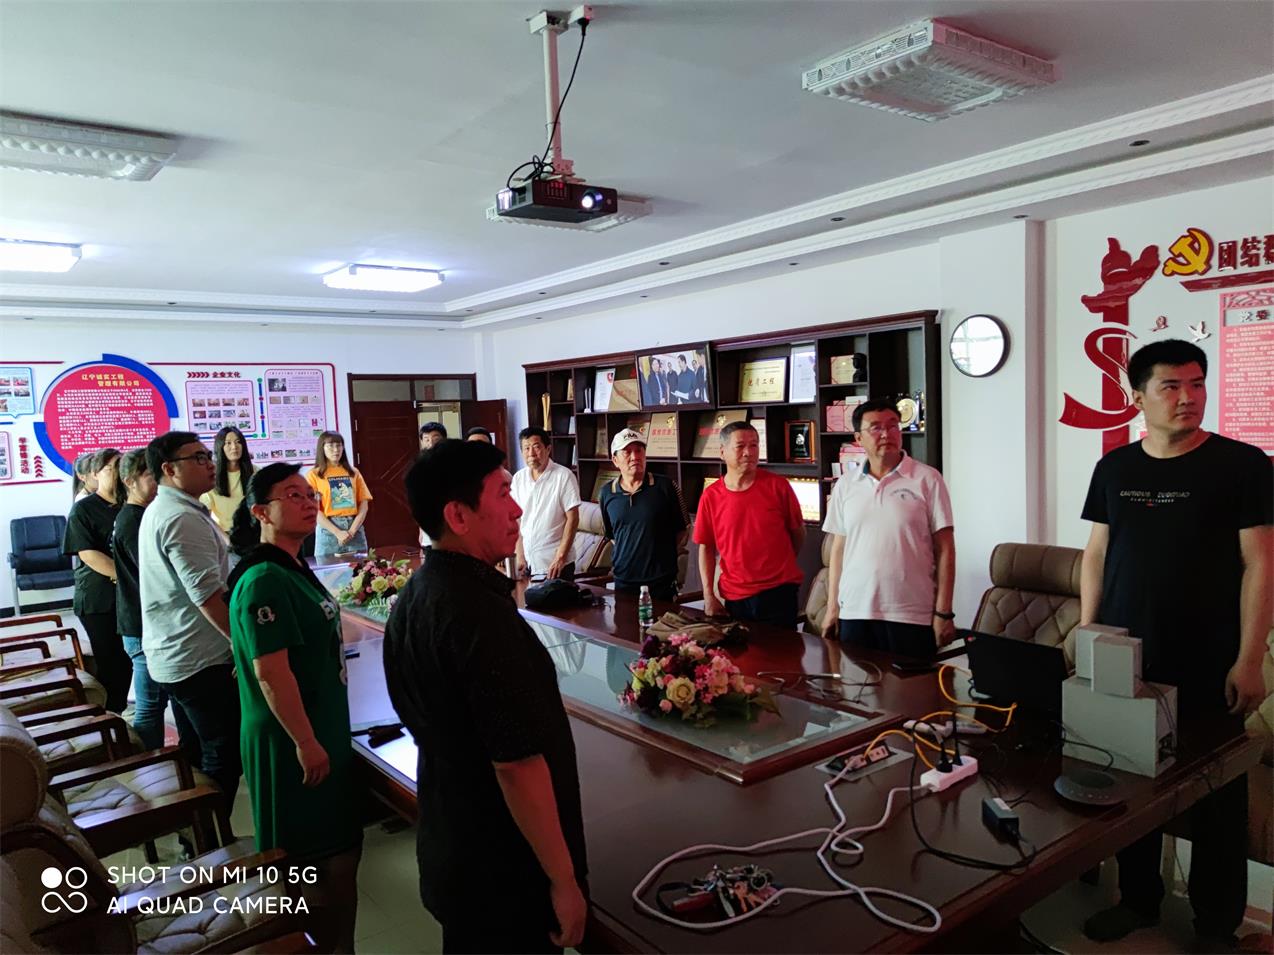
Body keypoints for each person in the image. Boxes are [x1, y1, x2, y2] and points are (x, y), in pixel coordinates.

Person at [1078, 339, 1271, 948]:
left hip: (1209, 659)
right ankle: (1138, 900)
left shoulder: (1243, 465)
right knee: (1130, 786)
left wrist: (1249, 657)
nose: (1187, 397)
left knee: (1217, 797)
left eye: (1196, 384)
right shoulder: (1115, 468)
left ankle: (1217, 926)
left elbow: (1261, 564)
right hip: (1125, 656)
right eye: (1170, 386)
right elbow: (1097, 553)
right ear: (1137, 397)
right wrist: (1086, 627)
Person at [384, 439, 588, 954]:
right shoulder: (477, 615)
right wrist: (563, 879)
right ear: (458, 515)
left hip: (453, 839)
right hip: (502, 866)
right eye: (502, 494)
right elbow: (515, 764)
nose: (517, 509)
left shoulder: (416, 595)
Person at [227, 464, 362, 953]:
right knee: (313, 861)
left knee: (334, 853)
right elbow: (269, 671)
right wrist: (305, 741)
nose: (308, 503)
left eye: (310, 494)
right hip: (292, 739)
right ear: (261, 512)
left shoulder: (290, 566)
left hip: (318, 723)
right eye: (293, 495)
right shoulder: (265, 577)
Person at [140, 430, 241, 815]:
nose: (210, 463)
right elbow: (208, 597)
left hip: (178, 652)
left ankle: (196, 831)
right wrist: (244, 645)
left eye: (207, 456)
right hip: (198, 658)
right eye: (198, 458)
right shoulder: (181, 518)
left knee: (197, 749)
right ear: (169, 469)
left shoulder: (170, 509)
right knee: (223, 751)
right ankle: (212, 834)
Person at [820, 398, 956, 657]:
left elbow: (946, 549)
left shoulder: (927, 479)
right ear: (858, 438)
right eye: (876, 427)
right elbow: (839, 550)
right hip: (855, 612)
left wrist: (944, 612)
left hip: (911, 613)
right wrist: (832, 608)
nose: (886, 434)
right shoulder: (846, 485)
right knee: (854, 682)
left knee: (912, 684)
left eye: (893, 426)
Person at [695, 421, 805, 628]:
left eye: (754, 445)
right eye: (740, 446)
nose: (749, 452)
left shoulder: (778, 486)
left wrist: (780, 565)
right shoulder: (711, 496)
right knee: (741, 648)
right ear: (722, 452)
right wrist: (708, 594)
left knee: (782, 649)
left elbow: (798, 533)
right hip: (735, 595)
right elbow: (706, 547)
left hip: (779, 591)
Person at [112, 448, 178, 751]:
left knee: (161, 699)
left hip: (147, 623)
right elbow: (155, 573)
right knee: (150, 705)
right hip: (142, 626)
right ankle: (149, 763)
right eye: (150, 475)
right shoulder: (133, 520)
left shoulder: (141, 515)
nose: (158, 481)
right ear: (130, 481)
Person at [63, 448, 130, 712]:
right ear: (95, 473)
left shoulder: (131, 506)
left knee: (131, 661)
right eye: (110, 468)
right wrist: (130, 578)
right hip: (98, 600)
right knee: (112, 664)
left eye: (121, 468)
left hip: (129, 597)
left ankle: (121, 715)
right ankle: (109, 718)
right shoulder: (84, 509)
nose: (117, 473)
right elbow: (90, 555)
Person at [597, 429, 689, 601]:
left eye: (639, 451)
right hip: (624, 580)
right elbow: (612, 535)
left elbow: (683, 530)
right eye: (627, 452)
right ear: (615, 460)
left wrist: (659, 553)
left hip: (660, 581)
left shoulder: (666, 486)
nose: (635, 457)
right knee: (624, 619)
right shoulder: (606, 493)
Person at [512, 427, 580, 579]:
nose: (531, 453)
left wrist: (560, 557)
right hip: (528, 564)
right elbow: (517, 520)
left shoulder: (564, 476)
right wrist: (519, 555)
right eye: (526, 448)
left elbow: (573, 518)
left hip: (556, 565)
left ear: (548, 449)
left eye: (536, 447)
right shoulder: (518, 479)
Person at [306, 431, 372, 560]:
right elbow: (314, 509)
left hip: (354, 528)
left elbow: (364, 505)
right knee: (327, 570)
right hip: (328, 530)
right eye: (330, 446)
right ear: (322, 448)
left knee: (360, 569)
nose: (336, 450)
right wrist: (337, 532)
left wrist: (351, 531)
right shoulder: (314, 475)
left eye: (339, 445)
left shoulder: (353, 472)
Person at [200, 426, 254, 537]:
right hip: (225, 534)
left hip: (254, 531)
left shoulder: (255, 472)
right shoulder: (210, 476)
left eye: (238, 442)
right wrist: (226, 539)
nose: (234, 447)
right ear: (220, 447)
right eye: (228, 443)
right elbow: (205, 517)